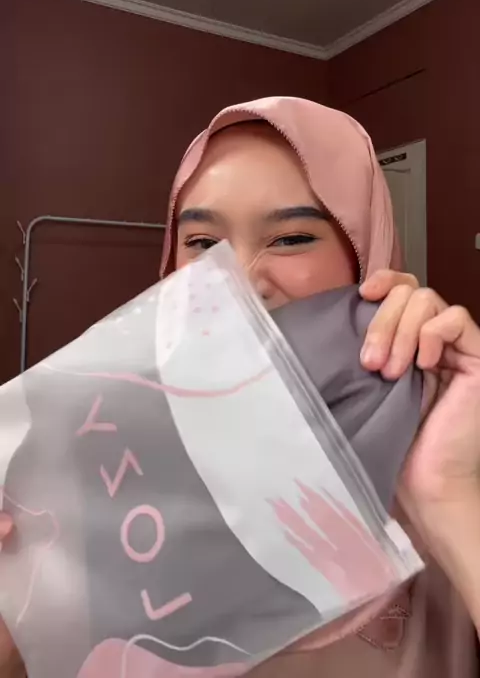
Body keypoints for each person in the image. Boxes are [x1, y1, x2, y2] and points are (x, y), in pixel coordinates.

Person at [1, 96, 479, 677]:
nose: (241, 283)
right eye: (203, 244)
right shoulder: (94, 462)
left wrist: (448, 492)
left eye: (291, 238)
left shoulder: (453, 450)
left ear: (365, 256)